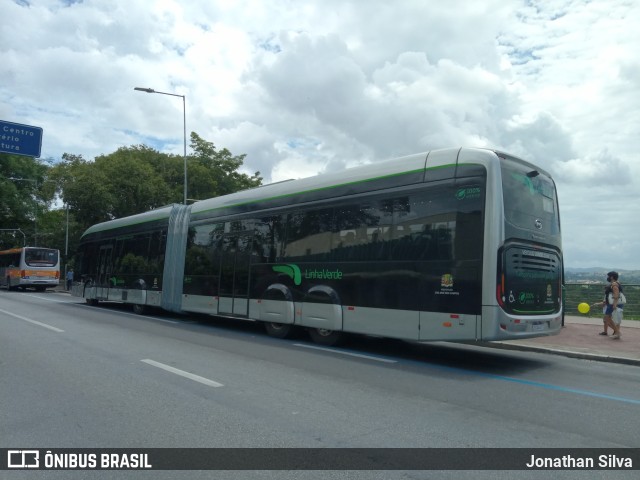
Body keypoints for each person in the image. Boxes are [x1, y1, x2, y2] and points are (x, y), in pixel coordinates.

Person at [602, 271, 624, 339]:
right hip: (613, 303)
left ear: (611, 277)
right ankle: (617, 332)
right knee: (609, 318)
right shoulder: (617, 283)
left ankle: (617, 332)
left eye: (608, 276)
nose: (607, 277)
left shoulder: (614, 284)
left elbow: (616, 294)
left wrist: (614, 304)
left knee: (607, 318)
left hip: (613, 304)